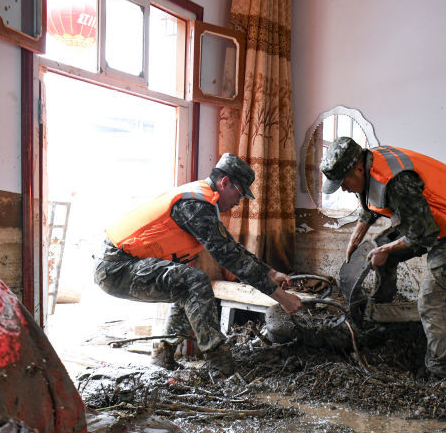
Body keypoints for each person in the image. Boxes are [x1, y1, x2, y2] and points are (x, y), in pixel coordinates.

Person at [95, 153, 303, 376]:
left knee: (186, 286)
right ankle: (220, 365)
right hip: (116, 268)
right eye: (239, 195)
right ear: (225, 183)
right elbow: (229, 258)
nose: (237, 203)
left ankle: (163, 355)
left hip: (123, 264)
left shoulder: (202, 200)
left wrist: (270, 272)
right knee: (195, 281)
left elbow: (230, 248)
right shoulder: (195, 204)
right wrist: (282, 298)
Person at [320, 137, 446, 379]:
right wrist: (358, 233)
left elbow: (424, 235)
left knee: (429, 301)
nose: (343, 188)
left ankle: (444, 370)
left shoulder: (398, 183)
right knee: (382, 246)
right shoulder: (366, 160)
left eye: (344, 182)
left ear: (358, 168)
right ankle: (381, 320)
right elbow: (369, 197)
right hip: (423, 220)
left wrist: (386, 251)